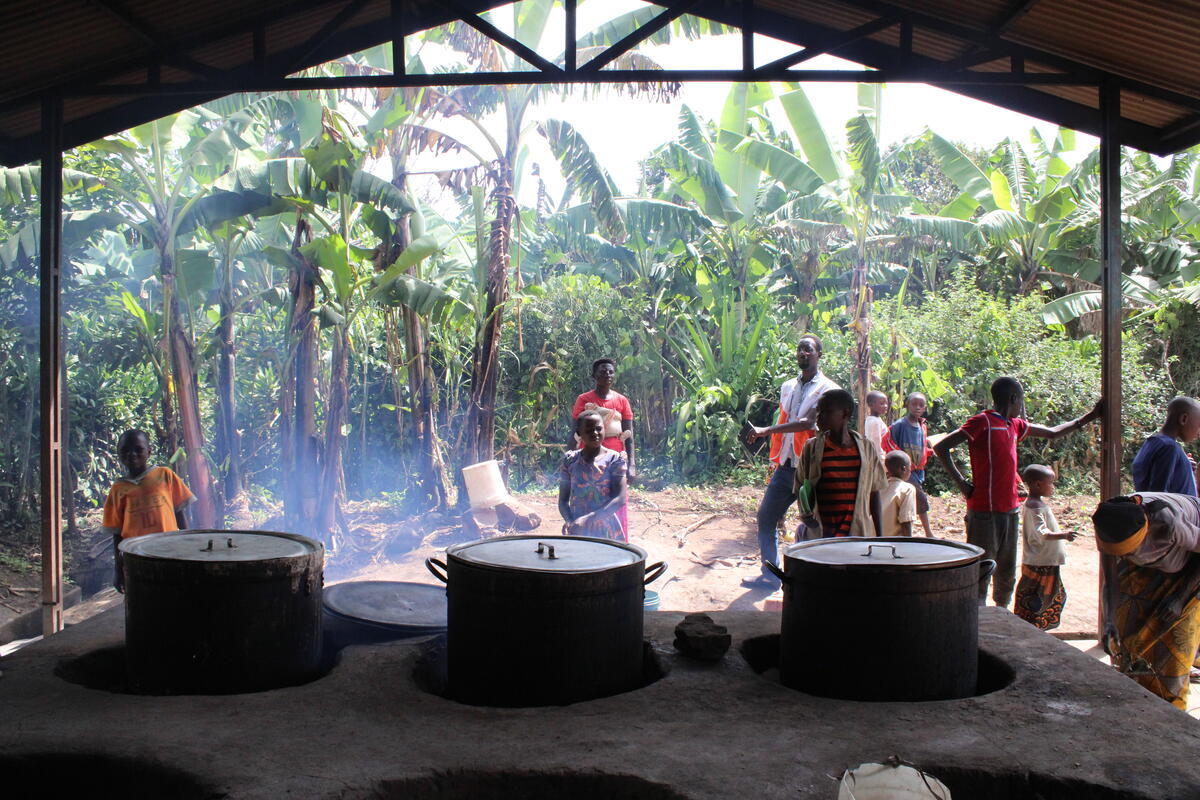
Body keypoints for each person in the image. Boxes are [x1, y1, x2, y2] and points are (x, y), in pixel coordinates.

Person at [933, 377, 1100, 607]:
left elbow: (1052, 432)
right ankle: (979, 622)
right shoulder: (983, 421)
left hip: (1010, 511)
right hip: (984, 511)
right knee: (982, 570)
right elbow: (941, 447)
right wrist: (962, 484)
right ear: (1014, 399)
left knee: (1007, 574)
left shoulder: (1014, 425)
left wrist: (1089, 417)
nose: (1022, 407)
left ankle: (1002, 617)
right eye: (1021, 400)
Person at [744, 335, 839, 587]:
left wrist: (766, 430)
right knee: (766, 517)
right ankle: (771, 576)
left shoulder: (828, 389)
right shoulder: (788, 386)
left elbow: (808, 422)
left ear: (819, 354)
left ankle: (817, 580)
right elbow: (786, 418)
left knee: (815, 525)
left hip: (812, 470)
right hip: (787, 467)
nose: (802, 353)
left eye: (808, 349)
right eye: (799, 349)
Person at [1092, 492, 1200, 710]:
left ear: (1145, 533)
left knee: (1174, 643)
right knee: (1125, 630)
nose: (1128, 555)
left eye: (1130, 550)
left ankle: (1169, 710)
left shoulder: (1169, 523)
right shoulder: (1110, 522)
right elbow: (1111, 578)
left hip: (1190, 569)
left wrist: (1179, 599)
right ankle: (1133, 701)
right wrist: (1109, 619)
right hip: (1149, 566)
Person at [101, 430, 193, 592]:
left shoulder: (165, 475)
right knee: (144, 598)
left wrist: (190, 546)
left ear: (149, 451)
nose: (132, 454)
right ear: (118, 453)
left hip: (168, 551)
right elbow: (117, 533)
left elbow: (179, 513)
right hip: (137, 556)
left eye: (138, 449)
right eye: (125, 450)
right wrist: (118, 570)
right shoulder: (118, 488)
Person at [795, 389, 886, 539]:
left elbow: (874, 492)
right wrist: (804, 513)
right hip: (821, 534)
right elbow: (801, 486)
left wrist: (880, 536)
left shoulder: (866, 448)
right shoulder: (812, 448)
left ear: (845, 413)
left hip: (855, 534)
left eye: (826, 412)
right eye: (818, 412)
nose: (819, 417)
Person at [571, 358, 635, 538]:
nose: (607, 374)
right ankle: (586, 538)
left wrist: (631, 464)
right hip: (589, 458)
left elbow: (629, 435)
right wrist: (569, 459)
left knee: (616, 499)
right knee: (589, 496)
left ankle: (617, 541)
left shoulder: (621, 401)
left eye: (610, 372)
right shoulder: (584, 400)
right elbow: (574, 432)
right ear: (594, 375)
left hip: (616, 458)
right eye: (602, 371)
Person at [1014, 464, 1077, 630]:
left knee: (1045, 596)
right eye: (1050, 483)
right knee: (1038, 598)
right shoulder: (1034, 508)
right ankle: (1031, 629)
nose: (1053, 487)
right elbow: (1043, 533)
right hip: (1040, 562)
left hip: (1045, 561)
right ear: (1037, 484)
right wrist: (1064, 535)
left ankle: (1033, 628)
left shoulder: (1037, 504)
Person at [558, 411, 628, 541]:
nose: (595, 433)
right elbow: (563, 500)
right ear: (579, 434)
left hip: (606, 529)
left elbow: (620, 498)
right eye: (589, 430)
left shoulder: (614, 460)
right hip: (577, 529)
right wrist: (569, 521)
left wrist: (588, 519)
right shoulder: (570, 460)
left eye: (598, 428)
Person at [882, 392, 934, 537]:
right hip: (903, 470)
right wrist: (900, 460)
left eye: (921, 405)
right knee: (921, 499)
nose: (917, 408)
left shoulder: (922, 426)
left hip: (917, 470)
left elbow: (921, 445)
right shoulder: (899, 425)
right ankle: (927, 532)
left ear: (925, 408)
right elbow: (887, 442)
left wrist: (929, 452)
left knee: (915, 498)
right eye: (914, 404)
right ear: (907, 405)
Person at [1131, 396, 1200, 496]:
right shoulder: (1169, 448)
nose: (1199, 433)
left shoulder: (1153, 442)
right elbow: (1159, 495)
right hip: (1177, 511)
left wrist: (1184, 467)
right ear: (1183, 419)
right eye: (1199, 426)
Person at [879, 451, 917, 537]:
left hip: (873, 540)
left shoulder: (879, 487)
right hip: (894, 544)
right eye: (909, 468)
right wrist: (909, 542)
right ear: (904, 469)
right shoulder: (907, 489)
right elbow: (906, 521)